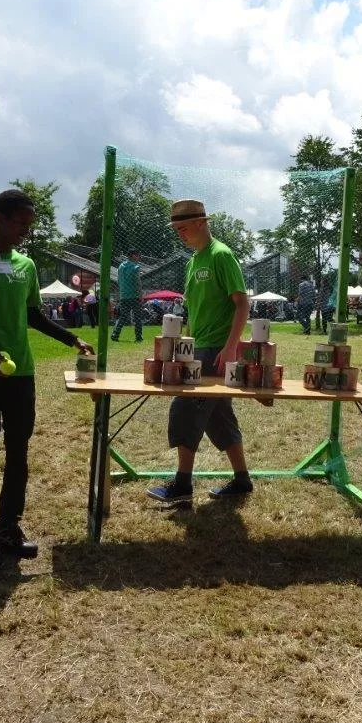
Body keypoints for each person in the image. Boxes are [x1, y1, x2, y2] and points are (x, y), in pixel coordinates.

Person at [0, 188, 94, 572]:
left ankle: (9, 527)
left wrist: (71, 338)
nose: (26, 231)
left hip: (20, 372)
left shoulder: (25, 266)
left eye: (29, 224)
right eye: (20, 223)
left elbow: (33, 316)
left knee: (18, 451)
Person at [147, 199, 253, 507]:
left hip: (216, 351)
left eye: (183, 228)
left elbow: (242, 304)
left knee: (185, 408)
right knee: (218, 416)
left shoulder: (222, 255)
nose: (179, 233)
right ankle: (242, 480)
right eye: (176, 229)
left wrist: (230, 346)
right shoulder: (193, 261)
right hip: (198, 347)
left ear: (201, 223)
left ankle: (182, 485)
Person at [111, 249, 143, 342]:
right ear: (133, 255)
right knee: (137, 317)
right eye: (138, 255)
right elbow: (137, 282)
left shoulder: (121, 266)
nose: (139, 257)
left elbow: (119, 280)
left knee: (123, 317)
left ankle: (115, 334)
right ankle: (138, 337)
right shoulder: (135, 267)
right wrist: (140, 294)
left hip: (124, 295)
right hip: (134, 295)